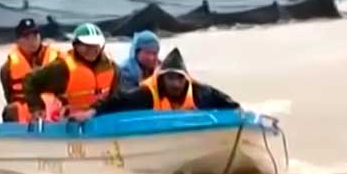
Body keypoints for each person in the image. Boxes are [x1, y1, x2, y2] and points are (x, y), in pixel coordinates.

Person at [73, 47, 239, 120]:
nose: (175, 84)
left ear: (186, 79)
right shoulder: (146, 94)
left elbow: (231, 105)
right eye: (170, 78)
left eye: (179, 78)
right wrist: (92, 112)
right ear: (162, 79)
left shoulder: (200, 92)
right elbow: (117, 101)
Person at [23, 23, 121, 121]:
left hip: (101, 120)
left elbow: (117, 97)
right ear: (75, 46)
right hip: (69, 123)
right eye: (85, 45)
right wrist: (36, 108)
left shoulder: (112, 67)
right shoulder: (61, 67)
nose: (91, 49)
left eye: (95, 45)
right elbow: (30, 80)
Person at [0, 18, 61, 122]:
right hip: (26, 113)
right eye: (27, 37)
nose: (32, 41)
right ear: (18, 41)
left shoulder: (58, 59)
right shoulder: (7, 68)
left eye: (35, 36)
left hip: (53, 110)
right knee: (11, 110)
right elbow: (9, 96)